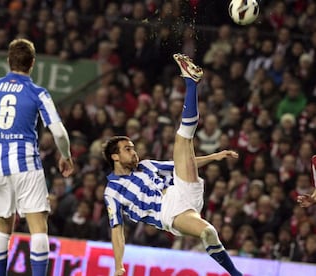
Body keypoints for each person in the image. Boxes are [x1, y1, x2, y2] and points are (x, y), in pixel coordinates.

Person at [102, 54, 243, 276]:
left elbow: (182, 162)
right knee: (208, 232)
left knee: (182, 138)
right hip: (169, 212)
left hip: (182, 187)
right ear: (115, 157)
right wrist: (118, 264)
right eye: (128, 149)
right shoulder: (112, 191)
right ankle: (236, 274)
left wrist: (213, 157)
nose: (134, 152)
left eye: (133, 147)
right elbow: (117, 230)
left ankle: (191, 82)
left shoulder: (147, 165)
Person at [0, 38, 74, 276]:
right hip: (27, 167)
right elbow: (59, 132)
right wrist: (66, 155)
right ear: (32, 63)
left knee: (3, 229)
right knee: (38, 229)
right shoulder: (37, 92)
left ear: (8, 61)